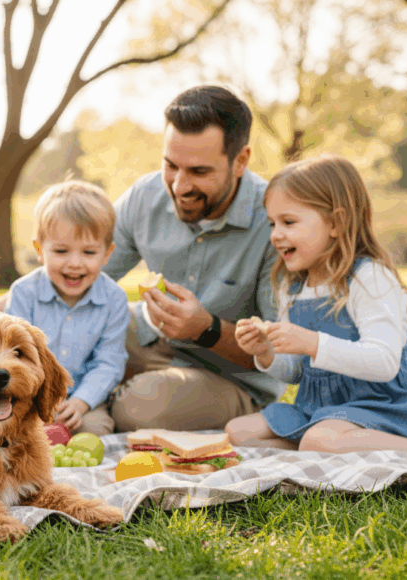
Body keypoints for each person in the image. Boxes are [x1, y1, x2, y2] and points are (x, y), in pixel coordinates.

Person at [102, 85, 286, 433]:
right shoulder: (146, 195)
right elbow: (74, 274)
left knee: (138, 408)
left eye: (199, 172)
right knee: (66, 326)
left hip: (228, 377)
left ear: (241, 161)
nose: (179, 186)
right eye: (171, 165)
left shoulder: (274, 221)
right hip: (149, 339)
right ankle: (99, 390)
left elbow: (280, 353)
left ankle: (100, 395)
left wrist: (207, 329)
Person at [227, 154, 407, 453]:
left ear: (336, 222)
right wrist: (265, 352)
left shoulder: (369, 279)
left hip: (386, 404)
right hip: (321, 408)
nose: (276, 235)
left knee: (321, 439)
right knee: (238, 432)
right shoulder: (292, 287)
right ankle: (316, 447)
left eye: (289, 222)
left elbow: (384, 363)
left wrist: (312, 342)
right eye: (272, 223)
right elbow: (297, 372)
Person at [4, 180, 129, 435]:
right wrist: (38, 400)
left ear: (107, 254)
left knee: (97, 430)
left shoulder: (114, 298)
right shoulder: (24, 293)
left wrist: (82, 402)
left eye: (89, 252)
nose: (75, 263)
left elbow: (109, 362)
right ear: (40, 250)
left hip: (82, 397)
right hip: (29, 395)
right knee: (13, 430)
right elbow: (14, 354)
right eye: (61, 251)